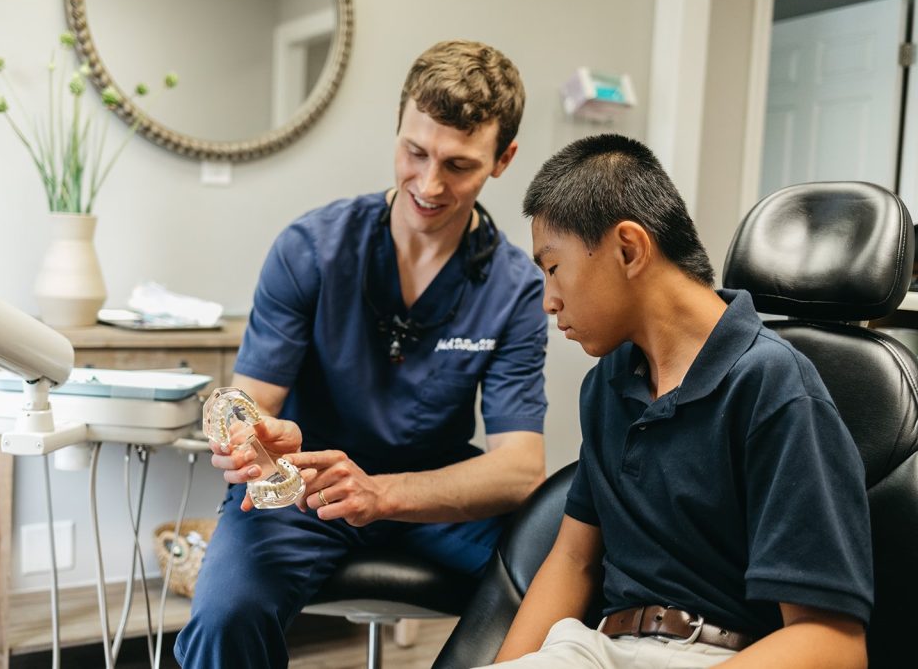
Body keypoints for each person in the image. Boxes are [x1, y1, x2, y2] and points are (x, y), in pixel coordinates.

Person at [174, 40, 549, 668]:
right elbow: (252, 404)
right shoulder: (309, 249)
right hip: (308, 487)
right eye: (415, 151)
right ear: (398, 128)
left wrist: (384, 494)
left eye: (458, 165)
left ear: (503, 160)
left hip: (436, 494)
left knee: (569, 576)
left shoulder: (516, 288)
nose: (429, 184)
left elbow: (518, 470)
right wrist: (255, 438)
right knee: (225, 615)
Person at [484, 134, 873, 668]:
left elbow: (833, 645)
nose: (549, 301)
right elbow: (573, 560)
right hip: (597, 648)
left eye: (552, 268)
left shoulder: (775, 387)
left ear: (629, 248)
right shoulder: (607, 386)